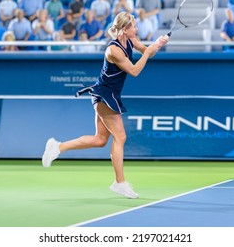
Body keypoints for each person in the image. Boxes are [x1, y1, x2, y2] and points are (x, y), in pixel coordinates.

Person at [41, 12, 169, 199]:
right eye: (133, 25)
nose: (136, 28)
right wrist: (148, 52)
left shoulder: (130, 41)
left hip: (109, 94)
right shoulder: (113, 50)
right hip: (104, 95)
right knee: (121, 136)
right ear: (125, 29)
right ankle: (120, 182)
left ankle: (57, 147)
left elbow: (147, 51)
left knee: (100, 139)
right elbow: (134, 71)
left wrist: (157, 44)